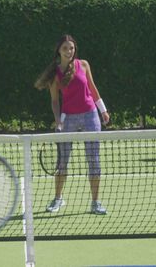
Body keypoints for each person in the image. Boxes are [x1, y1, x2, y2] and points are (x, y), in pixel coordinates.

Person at [34, 34, 110, 215]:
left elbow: (92, 88)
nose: (69, 51)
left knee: (94, 160)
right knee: (62, 162)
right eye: (65, 48)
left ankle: (95, 202)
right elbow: (54, 101)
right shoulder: (55, 73)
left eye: (72, 48)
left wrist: (103, 110)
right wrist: (58, 119)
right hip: (69, 118)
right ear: (59, 51)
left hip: (91, 116)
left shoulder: (83, 65)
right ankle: (58, 199)